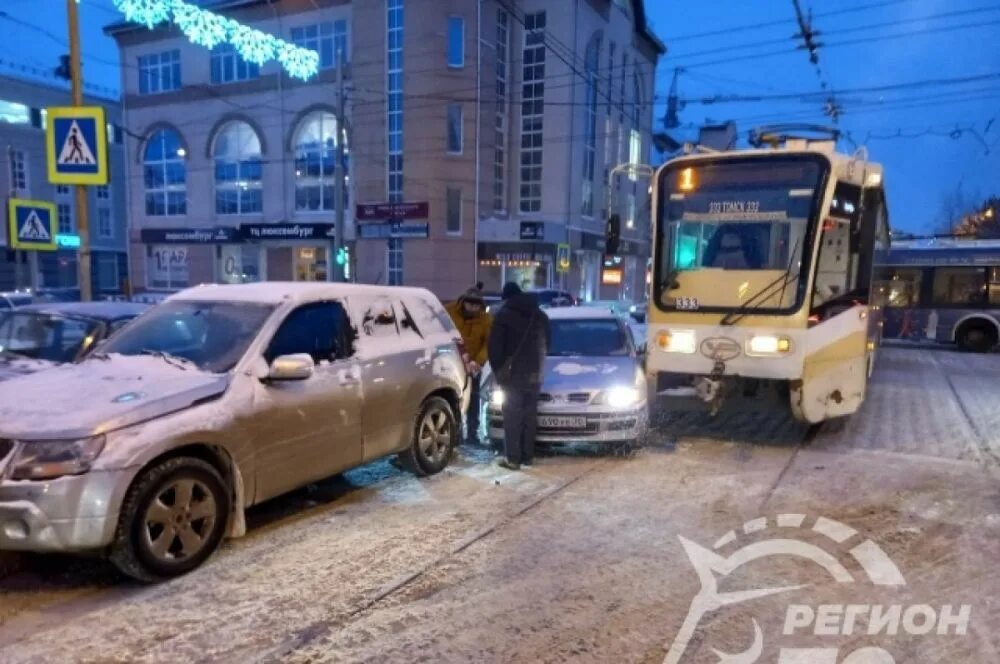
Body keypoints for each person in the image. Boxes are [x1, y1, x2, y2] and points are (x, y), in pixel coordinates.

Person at [487, 282, 550, 470]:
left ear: (506, 297)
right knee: (529, 415)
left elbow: (495, 347)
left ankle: (513, 459)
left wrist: (499, 370)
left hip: (513, 375)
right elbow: (548, 343)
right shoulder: (540, 315)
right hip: (536, 373)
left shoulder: (504, 316)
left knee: (512, 415)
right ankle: (527, 457)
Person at [445, 287, 493, 444]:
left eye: (477, 305)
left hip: (473, 367)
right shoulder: (449, 311)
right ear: (463, 302)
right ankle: (455, 434)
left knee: (473, 400)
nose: (473, 308)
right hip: (451, 364)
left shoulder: (486, 319)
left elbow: (488, 344)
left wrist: (478, 362)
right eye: (470, 304)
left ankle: (472, 434)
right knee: (454, 400)